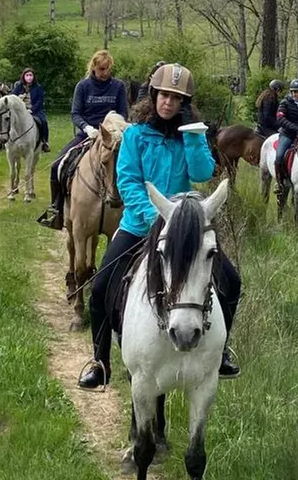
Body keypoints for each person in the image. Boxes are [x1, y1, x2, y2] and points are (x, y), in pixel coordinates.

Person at [79, 63, 241, 391]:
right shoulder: (136, 136)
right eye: (164, 95)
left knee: (232, 282)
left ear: (184, 103)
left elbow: (201, 172)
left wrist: (195, 134)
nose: (168, 102)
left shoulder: (189, 137)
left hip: (184, 231)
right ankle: (100, 361)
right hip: (139, 226)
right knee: (99, 289)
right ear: (153, 96)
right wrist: (158, 220)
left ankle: (221, 352)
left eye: (176, 98)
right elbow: (128, 182)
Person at [36, 50, 128, 230]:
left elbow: (123, 111)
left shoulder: (118, 86)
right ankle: (57, 209)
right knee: (57, 166)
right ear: (94, 67)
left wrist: (116, 127)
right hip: (88, 134)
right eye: (101, 69)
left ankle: (132, 209)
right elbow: (75, 113)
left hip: (113, 136)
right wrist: (87, 128)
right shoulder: (83, 86)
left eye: (108, 69)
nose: (105, 73)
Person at [11, 68, 49, 152]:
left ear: (34, 77)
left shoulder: (38, 87)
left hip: (35, 111)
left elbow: (40, 101)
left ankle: (44, 142)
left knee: (43, 121)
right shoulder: (19, 86)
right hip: (20, 111)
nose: (29, 77)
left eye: (31, 75)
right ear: (23, 76)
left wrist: (31, 110)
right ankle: (4, 140)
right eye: (27, 75)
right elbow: (12, 96)